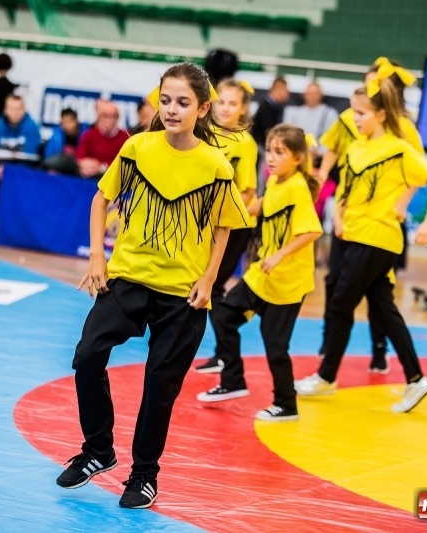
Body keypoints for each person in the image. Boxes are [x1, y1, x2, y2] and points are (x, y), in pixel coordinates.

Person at [55, 62, 250, 509]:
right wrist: (98, 256)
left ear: (202, 109)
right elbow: (101, 198)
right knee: (87, 356)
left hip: (182, 294)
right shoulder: (137, 148)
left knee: (159, 387)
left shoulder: (216, 165)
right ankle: (98, 450)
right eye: (165, 101)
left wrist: (209, 278)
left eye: (183, 102)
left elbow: (224, 227)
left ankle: (144, 475)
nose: (172, 109)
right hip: (128, 278)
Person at [296, 76, 427, 414]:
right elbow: (348, 188)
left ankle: (326, 376)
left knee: (340, 303)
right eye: (353, 111)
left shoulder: (399, 149)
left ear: (380, 115)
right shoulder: (356, 147)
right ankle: (416, 378)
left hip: (377, 237)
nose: (355, 118)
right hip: (352, 234)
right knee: (382, 309)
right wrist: (339, 215)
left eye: (361, 113)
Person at [305, 57, 423, 375]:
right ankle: (329, 347)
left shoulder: (402, 131)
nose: (368, 90)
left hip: (380, 224)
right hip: (349, 219)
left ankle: (378, 351)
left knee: (376, 294)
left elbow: (422, 174)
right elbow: (335, 150)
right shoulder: (351, 120)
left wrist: (402, 204)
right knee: (337, 284)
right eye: (367, 83)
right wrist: (324, 180)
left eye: (376, 85)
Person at [197, 124, 323, 421]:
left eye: (280, 152)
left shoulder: (298, 187)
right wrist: (230, 213)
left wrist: (279, 255)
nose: (271, 157)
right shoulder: (278, 181)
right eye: (269, 150)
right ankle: (233, 380)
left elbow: (312, 231)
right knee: (224, 315)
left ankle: (286, 405)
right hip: (262, 275)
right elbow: (263, 204)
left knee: (275, 346)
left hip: (288, 282)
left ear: (297, 159)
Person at [194, 78, 257, 374]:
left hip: (233, 224)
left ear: (243, 108)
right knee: (205, 283)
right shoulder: (204, 133)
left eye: (233, 103)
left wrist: (221, 218)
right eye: (222, 102)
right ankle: (222, 353)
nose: (226, 108)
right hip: (207, 222)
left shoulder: (245, 143)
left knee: (215, 284)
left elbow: (248, 192)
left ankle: (226, 355)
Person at [282, 81, 338, 164]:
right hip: (297, 156)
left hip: (320, 159)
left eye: (315, 93)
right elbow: (286, 136)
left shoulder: (330, 114)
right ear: (304, 95)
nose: (312, 96)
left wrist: (320, 152)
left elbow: (333, 139)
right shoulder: (293, 113)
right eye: (310, 93)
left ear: (321, 95)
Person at [250, 76, 288, 194]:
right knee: (261, 175)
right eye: (286, 90)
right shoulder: (266, 106)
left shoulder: (275, 106)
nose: (287, 94)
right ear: (278, 89)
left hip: (263, 147)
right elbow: (269, 132)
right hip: (260, 148)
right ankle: (259, 195)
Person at [75, 100, 130, 178]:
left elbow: (125, 163)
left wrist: (102, 167)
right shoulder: (89, 134)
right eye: (105, 116)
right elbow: (79, 156)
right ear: (99, 117)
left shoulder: (126, 138)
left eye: (113, 116)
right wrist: (86, 165)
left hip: (112, 178)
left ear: (118, 118)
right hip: (88, 176)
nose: (109, 120)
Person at [42, 107, 86, 175]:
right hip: (60, 168)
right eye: (63, 123)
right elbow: (49, 156)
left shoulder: (86, 134)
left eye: (69, 122)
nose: (66, 126)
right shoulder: (57, 134)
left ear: (76, 121)